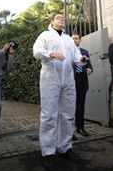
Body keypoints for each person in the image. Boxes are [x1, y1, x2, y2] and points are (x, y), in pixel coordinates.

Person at [33, 13, 89, 170]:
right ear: (52, 21)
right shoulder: (45, 35)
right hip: (50, 79)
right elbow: (36, 51)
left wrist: (82, 59)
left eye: (63, 18)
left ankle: (65, 147)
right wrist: (50, 54)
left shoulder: (69, 39)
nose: (62, 19)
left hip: (68, 80)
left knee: (68, 114)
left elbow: (76, 56)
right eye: (58, 17)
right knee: (49, 115)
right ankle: (48, 152)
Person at [71, 33, 93, 137]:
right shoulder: (69, 52)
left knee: (81, 106)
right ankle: (70, 131)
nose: (74, 40)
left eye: (76, 38)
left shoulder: (85, 52)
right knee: (70, 107)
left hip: (82, 82)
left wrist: (89, 69)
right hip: (71, 82)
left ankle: (80, 128)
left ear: (80, 40)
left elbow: (89, 66)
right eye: (72, 39)